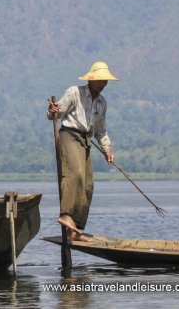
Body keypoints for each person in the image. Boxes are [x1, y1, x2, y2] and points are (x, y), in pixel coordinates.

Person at [47, 61, 118, 242]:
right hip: (70, 136)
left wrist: (107, 150)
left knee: (88, 185)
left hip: (85, 140)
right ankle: (66, 215)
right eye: (100, 80)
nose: (103, 84)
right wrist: (53, 110)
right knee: (75, 175)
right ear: (91, 79)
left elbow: (101, 130)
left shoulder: (102, 102)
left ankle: (75, 230)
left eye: (105, 81)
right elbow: (56, 113)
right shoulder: (75, 92)